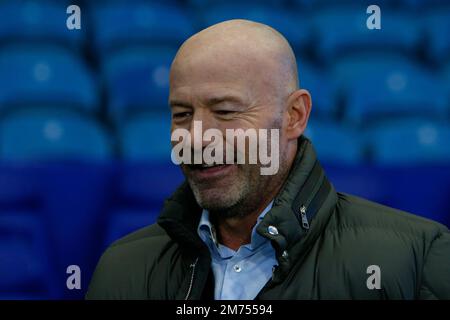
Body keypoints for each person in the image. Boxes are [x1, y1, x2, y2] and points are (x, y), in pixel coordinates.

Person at [86, 20, 450, 300]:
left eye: (225, 111)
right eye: (181, 114)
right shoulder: (123, 270)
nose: (195, 137)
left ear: (294, 115)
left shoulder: (415, 258)